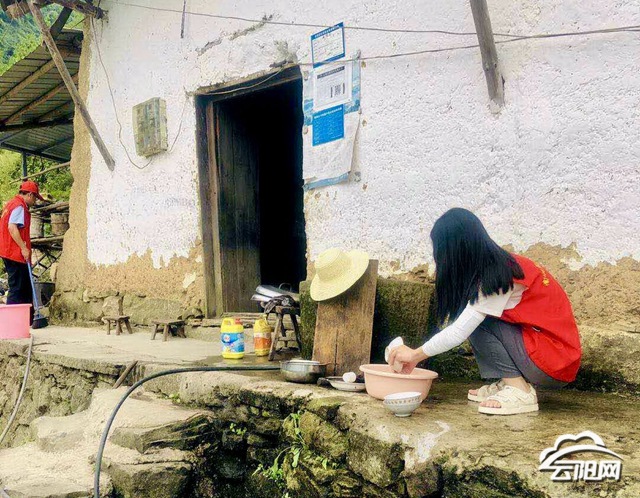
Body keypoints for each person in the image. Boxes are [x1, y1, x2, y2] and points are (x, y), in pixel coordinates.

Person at [388, 208, 581, 415]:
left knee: (478, 323)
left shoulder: (499, 277)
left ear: (456, 251)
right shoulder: (502, 266)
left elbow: (458, 332)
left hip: (554, 362)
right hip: (551, 356)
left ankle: (520, 391)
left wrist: (415, 355)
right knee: (478, 318)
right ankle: (509, 383)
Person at [0, 181, 44, 324]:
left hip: (8, 250)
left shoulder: (11, 204)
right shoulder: (19, 206)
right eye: (35, 197)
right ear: (29, 194)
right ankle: (11, 322)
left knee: (25, 285)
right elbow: (12, 227)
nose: (35, 201)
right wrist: (23, 248)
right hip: (14, 252)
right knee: (17, 287)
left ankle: (28, 319)